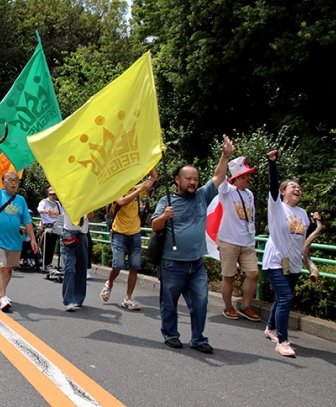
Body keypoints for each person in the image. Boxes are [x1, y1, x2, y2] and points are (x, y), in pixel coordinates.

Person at [151, 134, 235, 353]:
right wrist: (164, 217)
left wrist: (224, 156)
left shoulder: (202, 196)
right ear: (177, 180)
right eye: (188, 178)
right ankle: (171, 334)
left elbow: (218, 176)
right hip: (172, 263)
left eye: (195, 178)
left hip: (196, 264)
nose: (193, 182)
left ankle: (198, 339)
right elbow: (154, 227)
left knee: (200, 303)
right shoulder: (166, 201)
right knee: (169, 303)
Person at [262, 150, 319, 357]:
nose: (297, 189)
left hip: (294, 262)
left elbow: (304, 236)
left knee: (281, 298)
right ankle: (283, 341)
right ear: (283, 191)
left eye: (299, 188)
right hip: (276, 260)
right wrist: (272, 164)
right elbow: (272, 184)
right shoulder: (277, 208)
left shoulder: (302, 213)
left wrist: (314, 224)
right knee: (286, 298)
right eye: (293, 186)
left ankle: (270, 328)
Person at [0, 147, 38, 311]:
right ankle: (3, 297)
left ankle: (1, 292)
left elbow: (27, 221)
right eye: (10, 180)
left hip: (14, 240)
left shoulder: (21, 200)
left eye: (16, 181)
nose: (14, 183)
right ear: (3, 182)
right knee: (0, 267)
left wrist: (33, 239)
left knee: (8, 270)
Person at [100, 168, 158, 310]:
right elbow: (121, 202)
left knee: (134, 266)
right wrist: (139, 191)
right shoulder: (116, 190)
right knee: (118, 264)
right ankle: (109, 283)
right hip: (119, 232)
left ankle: (128, 298)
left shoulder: (137, 188)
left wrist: (148, 155)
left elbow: (154, 176)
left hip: (135, 233)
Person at [217, 157, 261, 321]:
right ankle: (228, 307)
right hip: (229, 240)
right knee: (229, 276)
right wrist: (225, 156)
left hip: (247, 242)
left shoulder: (250, 194)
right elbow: (219, 175)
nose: (250, 178)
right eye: (246, 175)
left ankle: (244, 306)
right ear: (238, 177)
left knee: (253, 274)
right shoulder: (226, 190)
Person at [61, 209, 94, 312]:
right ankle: (68, 301)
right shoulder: (69, 197)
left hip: (83, 234)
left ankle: (78, 299)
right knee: (70, 268)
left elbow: (91, 215)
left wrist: (88, 207)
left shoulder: (87, 200)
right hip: (69, 233)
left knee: (81, 268)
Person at [37, 187, 63, 270]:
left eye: (55, 194)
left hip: (56, 226)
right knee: (47, 244)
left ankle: (49, 263)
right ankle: (45, 263)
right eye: (51, 194)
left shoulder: (57, 204)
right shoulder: (44, 202)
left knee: (53, 245)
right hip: (47, 226)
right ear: (48, 194)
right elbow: (39, 209)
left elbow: (62, 213)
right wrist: (45, 210)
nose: (53, 196)